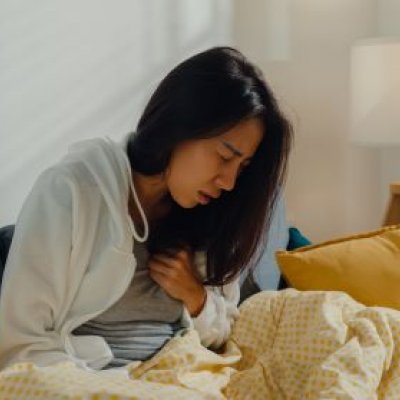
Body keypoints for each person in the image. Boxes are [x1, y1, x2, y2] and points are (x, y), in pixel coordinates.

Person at [0, 46, 292, 371]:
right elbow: (20, 344)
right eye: (225, 157)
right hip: (96, 380)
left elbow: (223, 331)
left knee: (327, 317)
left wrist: (197, 298)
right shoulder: (72, 190)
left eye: (242, 167)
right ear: (181, 125)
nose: (229, 182)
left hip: (189, 371)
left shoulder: (211, 214)